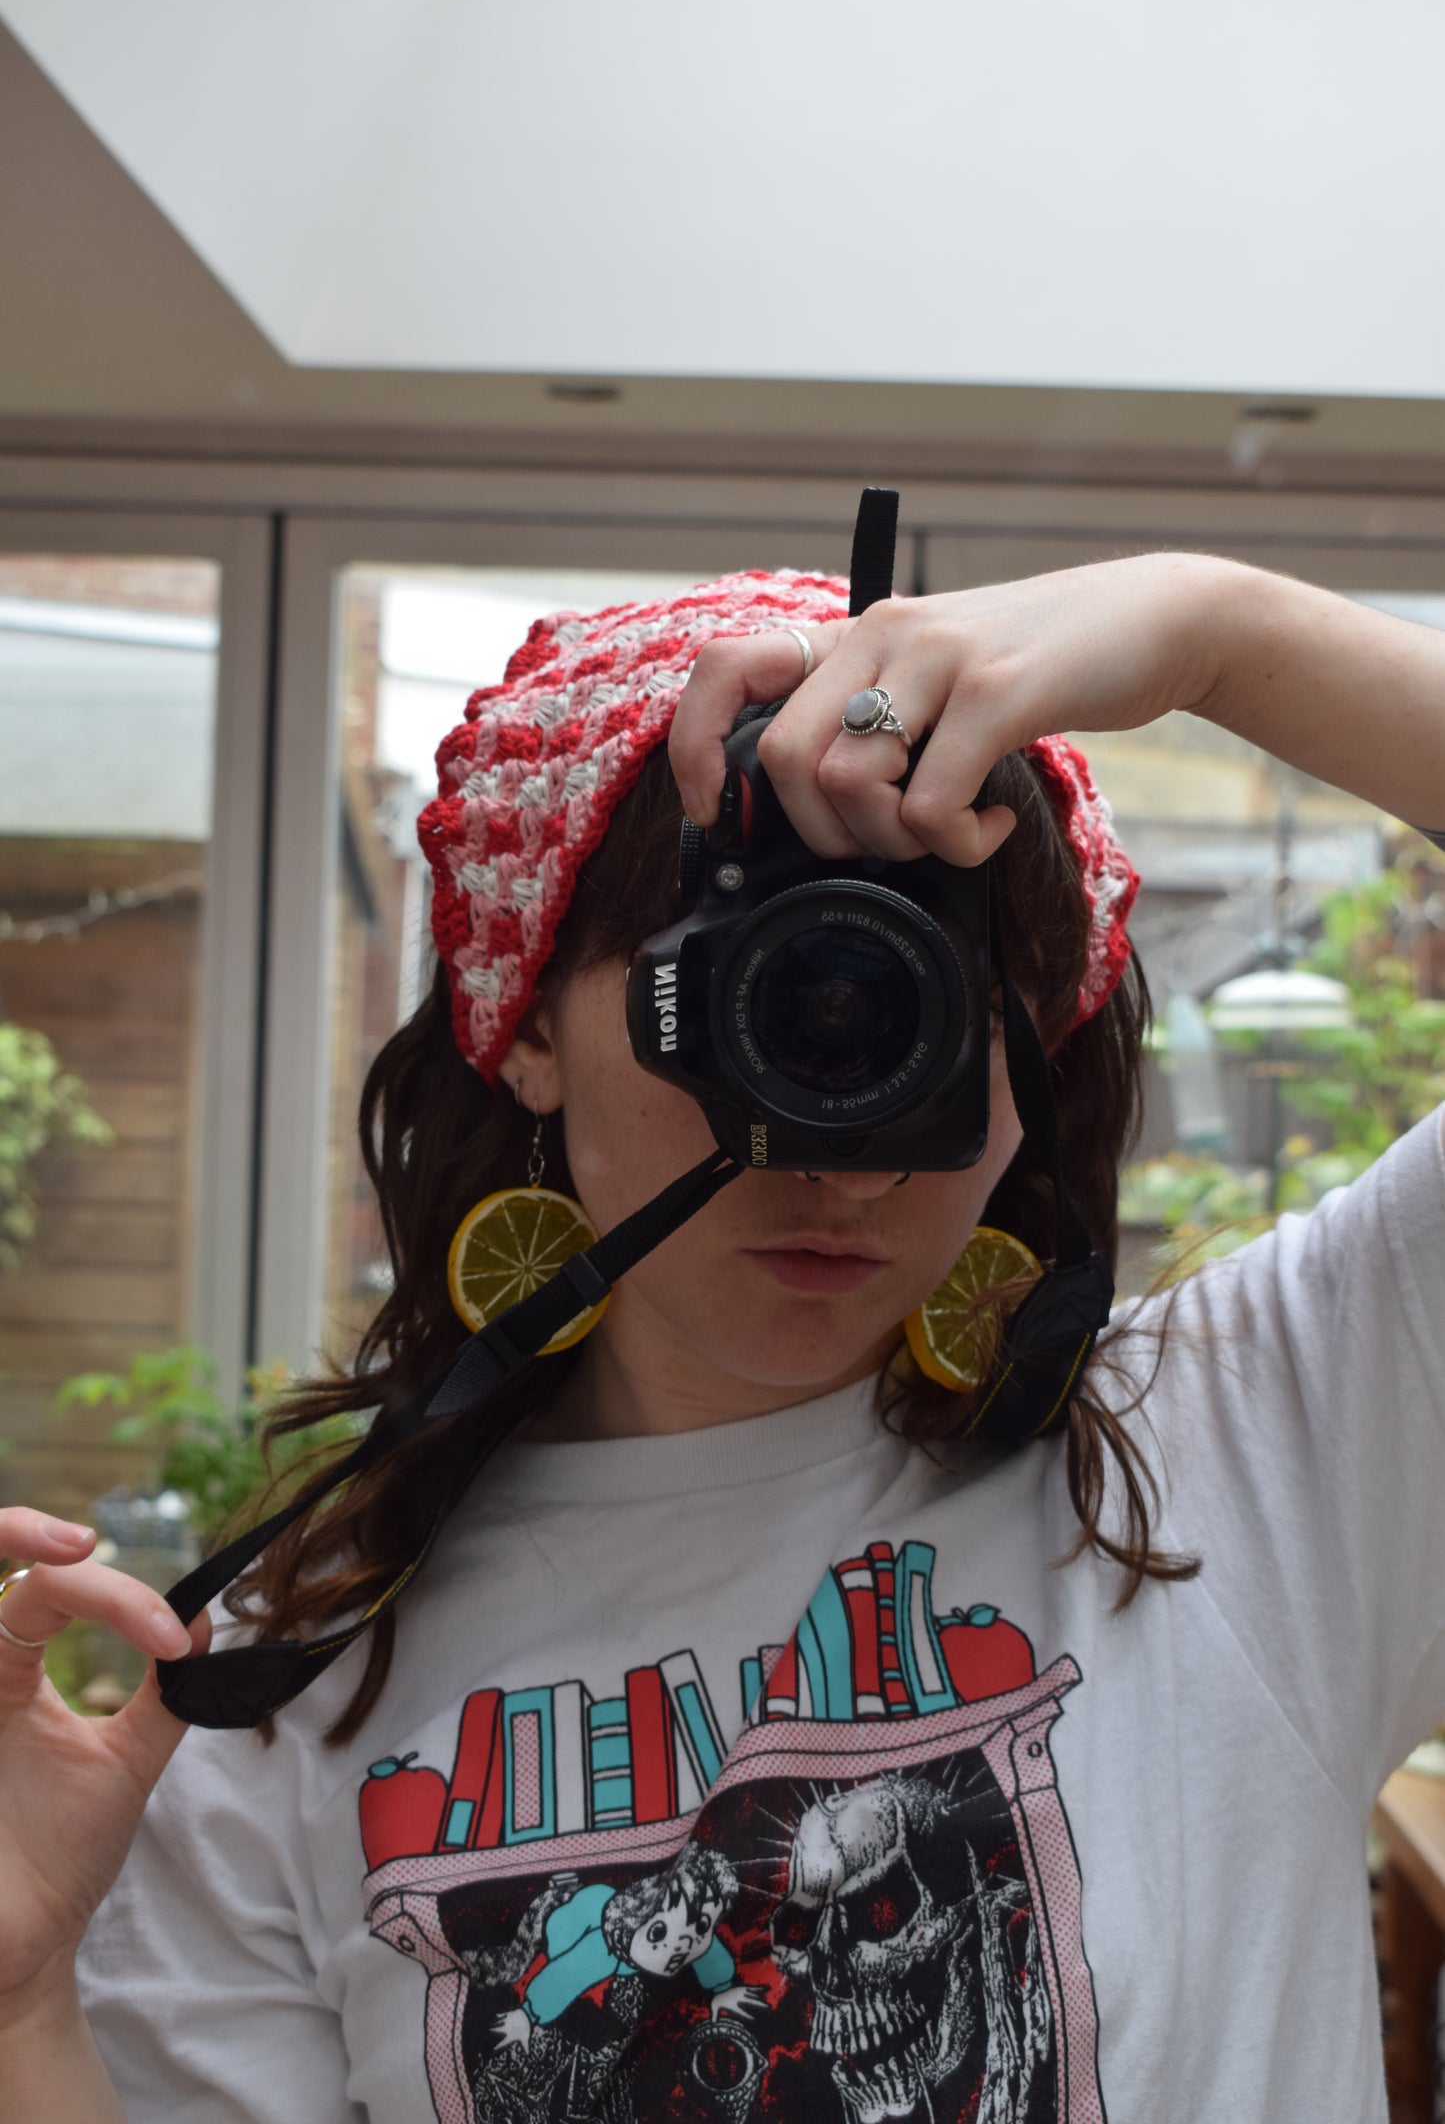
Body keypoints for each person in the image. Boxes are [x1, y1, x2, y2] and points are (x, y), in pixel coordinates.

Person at [2, 548, 1443, 2122]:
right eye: (761, 1001)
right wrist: (18, 2016)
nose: (838, 1151)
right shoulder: (288, 1680)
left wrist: (1217, 634)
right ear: (532, 1023)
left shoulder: (1253, 1455)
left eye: (922, 1016)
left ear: (1033, 1062)